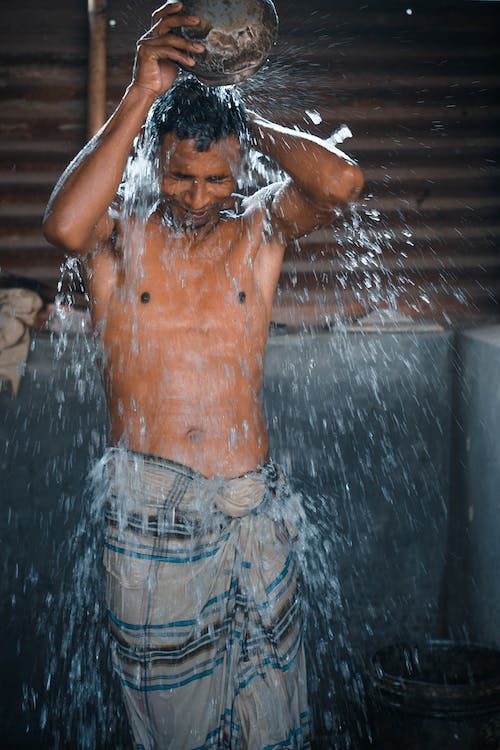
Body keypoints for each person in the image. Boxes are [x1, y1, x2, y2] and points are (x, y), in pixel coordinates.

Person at [43, 2, 364, 748]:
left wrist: (241, 116)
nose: (197, 198)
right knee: (178, 731)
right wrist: (139, 96)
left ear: (239, 169)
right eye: (183, 178)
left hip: (254, 512)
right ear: (156, 160)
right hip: (150, 519)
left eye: (217, 180)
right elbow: (63, 227)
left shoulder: (260, 231)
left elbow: (342, 184)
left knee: (273, 721)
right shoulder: (118, 241)